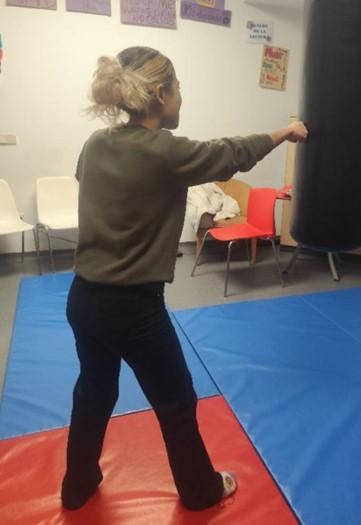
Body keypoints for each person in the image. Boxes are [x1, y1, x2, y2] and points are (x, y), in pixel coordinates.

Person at [62, 45, 308, 512]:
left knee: (94, 389)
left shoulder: (95, 144)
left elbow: (96, 182)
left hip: (83, 298)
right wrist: (285, 131)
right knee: (176, 401)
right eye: (177, 89)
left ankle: (77, 485)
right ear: (160, 94)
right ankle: (200, 491)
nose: (181, 97)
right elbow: (232, 153)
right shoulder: (165, 151)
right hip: (133, 307)